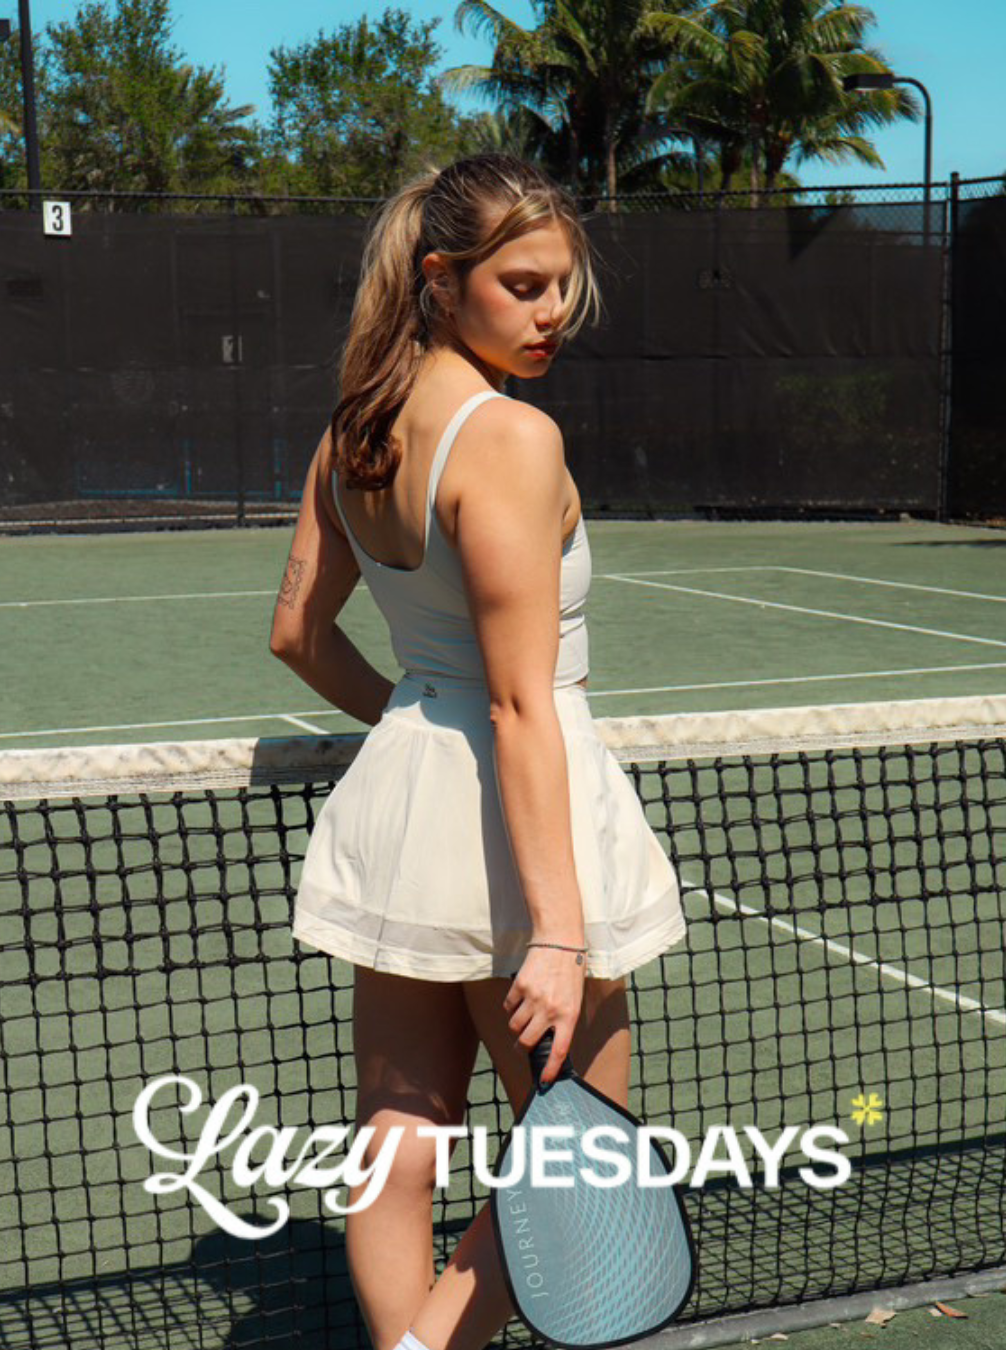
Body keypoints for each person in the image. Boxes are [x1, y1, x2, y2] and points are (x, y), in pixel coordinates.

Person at [269, 152, 686, 1350]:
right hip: (523, 835)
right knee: (581, 1170)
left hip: (410, 809)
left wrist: (415, 723)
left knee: (396, 1140)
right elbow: (517, 705)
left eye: (564, 288)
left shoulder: (354, 431)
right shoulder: (508, 438)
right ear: (443, 281)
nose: (553, 313)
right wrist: (556, 933)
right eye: (525, 286)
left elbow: (297, 635)